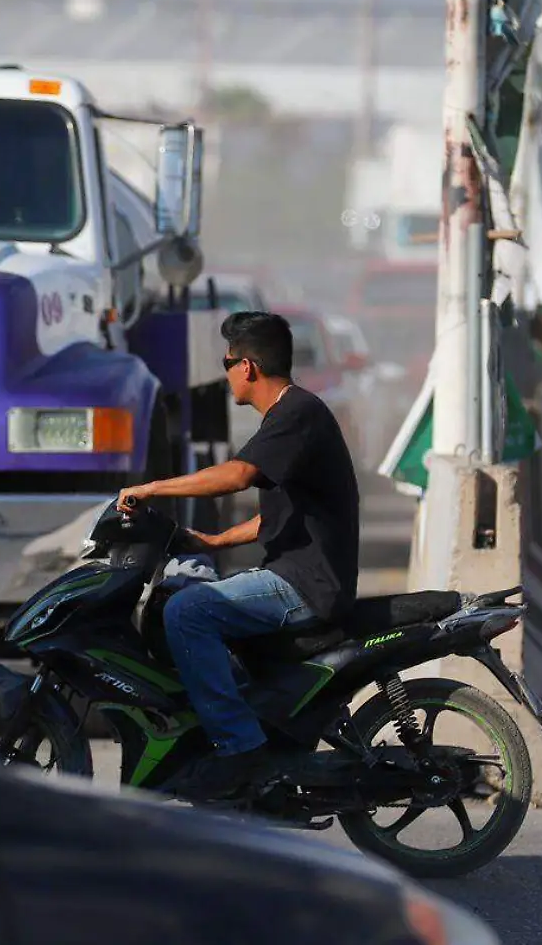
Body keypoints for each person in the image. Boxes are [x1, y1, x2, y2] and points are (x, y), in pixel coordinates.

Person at [115, 311, 361, 799]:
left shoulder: (296, 414)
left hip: (306, 583)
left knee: (187, 613)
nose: (225, 372)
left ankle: (239, 748)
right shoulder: (292, 416)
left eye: (227, 362)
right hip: (296, 573)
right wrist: (210, 542)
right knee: (183, 591)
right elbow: (278, 517)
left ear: (247, 367)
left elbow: (237, 475)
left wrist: (151, 488)